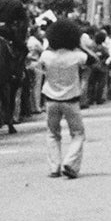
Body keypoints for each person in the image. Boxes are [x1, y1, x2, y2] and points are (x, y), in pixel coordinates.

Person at [39, 17, 93, 177]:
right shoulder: (78, 56)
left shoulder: (46, 56)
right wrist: (80, 46)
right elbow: (95, 60)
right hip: (71, 101)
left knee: (52, 134)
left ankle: (54, 167)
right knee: (77, 134)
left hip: (51, 99)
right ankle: (70, 162)